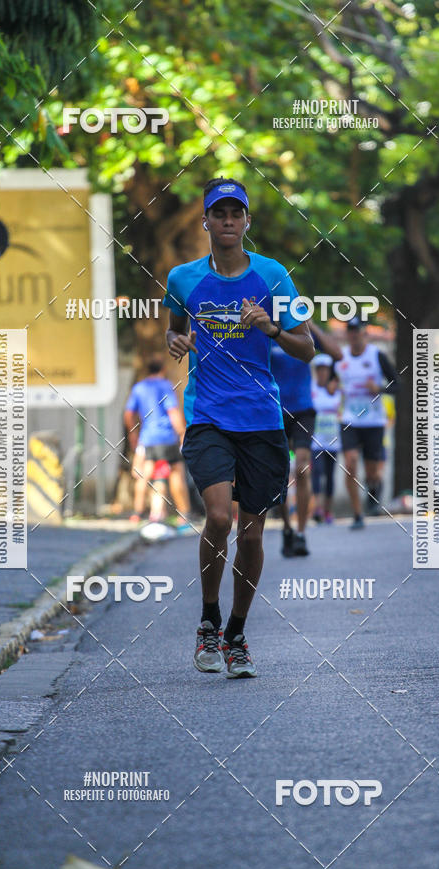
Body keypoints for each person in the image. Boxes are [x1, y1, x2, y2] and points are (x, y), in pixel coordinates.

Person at [163, 176, 314, 678]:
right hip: (207, 414)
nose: (227, 221)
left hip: (261, 418)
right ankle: (207, 620)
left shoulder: (273, 277)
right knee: (220, 519)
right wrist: (175, 341)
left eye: (236, 213)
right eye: (218, 213)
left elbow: (305, 346)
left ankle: (236, 634)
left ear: (247, 221)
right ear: (205, 221)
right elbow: (174, 326)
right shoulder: (182, 278)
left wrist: (269, 327)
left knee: (251, 535)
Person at [270, 322, 342, 556]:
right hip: (274, 410)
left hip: (303, 409)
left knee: (302, 468)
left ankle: (301, 533)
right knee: (279, 472)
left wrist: (309, 324)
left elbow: (337, 353)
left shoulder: (302, 330)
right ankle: (287, 527)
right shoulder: (265, 329)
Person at [337, 318, 399, 529]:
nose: (355, 335)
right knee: (351, 462)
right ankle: (357, 514)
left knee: (372, 471)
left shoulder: (377, 356)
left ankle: (373, 488)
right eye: (351, 332)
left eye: (358, 331)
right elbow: (330, 380)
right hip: (349, 420)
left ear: (365, 333)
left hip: (374, 421)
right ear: (348, 335)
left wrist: (379, 388)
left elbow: (397, 384)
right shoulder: (341, 357)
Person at [124, 357, 191, 529]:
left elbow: (128, 414)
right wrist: (182, 433)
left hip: (147, 438)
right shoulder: (165, 385)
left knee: (144, 475)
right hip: (166, 437)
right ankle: (184, 514)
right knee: (176, 472)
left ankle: (137, 513)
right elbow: (173, 412)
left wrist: (134, 435)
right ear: (163, 369)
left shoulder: (139, 388)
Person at [310, 353, 342, 524]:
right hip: (315, 441)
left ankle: (328, 511)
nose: (322, 373)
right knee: (317, 474)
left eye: (325, 369)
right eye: (319, 369)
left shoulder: (338, 389)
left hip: (334, 441)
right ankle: (317, 509)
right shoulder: (311, 388)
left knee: (330, 476)